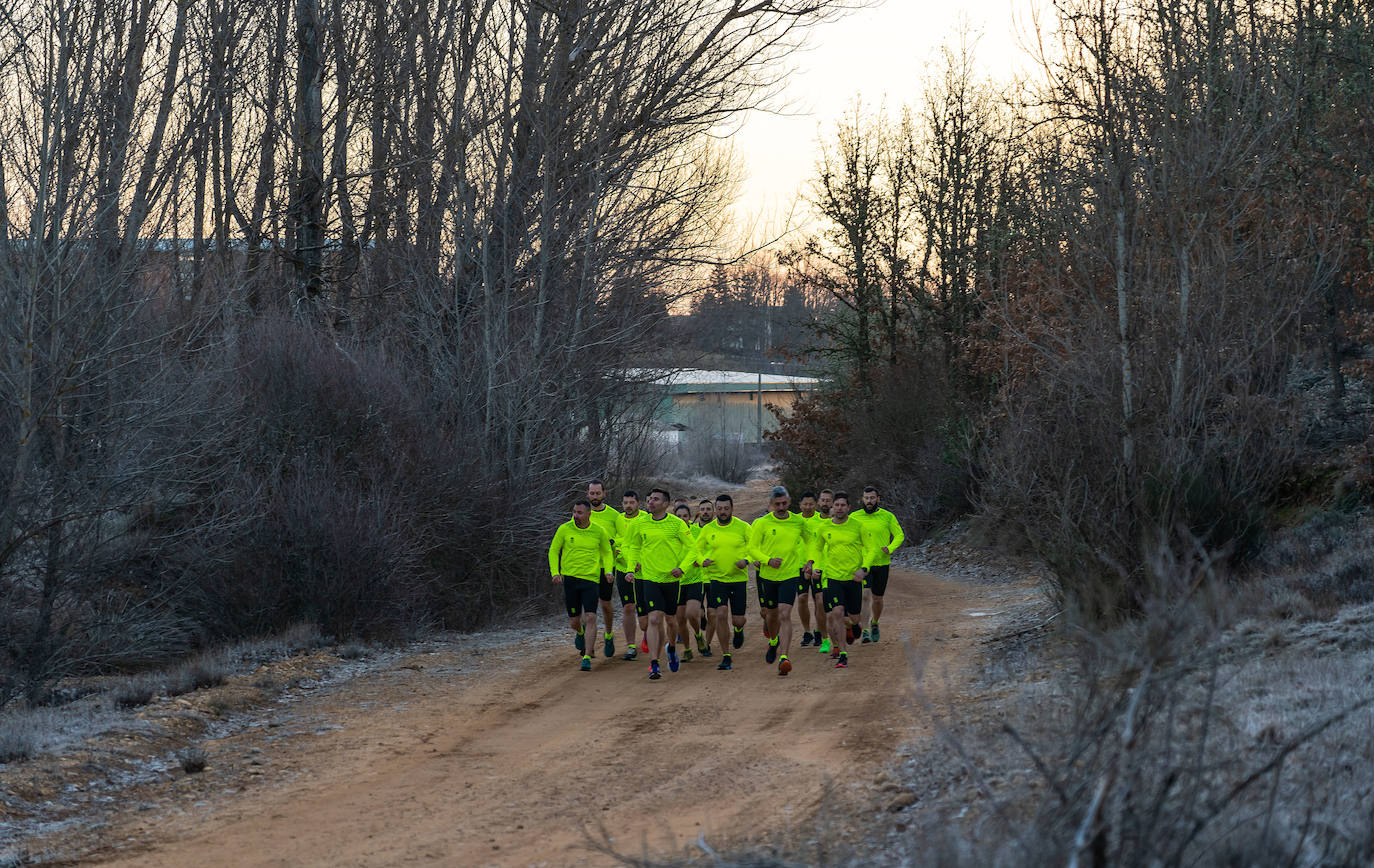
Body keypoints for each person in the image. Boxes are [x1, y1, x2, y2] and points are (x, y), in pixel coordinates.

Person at [623, 488, 694, 680]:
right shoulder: (639, 523)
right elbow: (633, 546)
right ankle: (654, 664)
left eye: (655, 499)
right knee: (653, 619)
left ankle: (671, 648)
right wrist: (630, 568)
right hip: (649, 578)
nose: (651, 502)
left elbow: (692, 548)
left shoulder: (677, 524)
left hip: (671, 579)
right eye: (649, 499)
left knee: (671, 621)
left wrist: (683, 568)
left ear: (665, 504)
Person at [747, 485, 814, 676]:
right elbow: (752, 548)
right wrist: (768, 560)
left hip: (790, 575)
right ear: (771, 504)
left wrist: (809, 560)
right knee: (771, 615)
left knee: (785, 614)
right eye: (777, 504)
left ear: (790, 502)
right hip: (767, 576)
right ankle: (774, 641)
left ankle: (784, 657)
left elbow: (811, 541)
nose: (781, 507)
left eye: (784, 503)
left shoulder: (798, 522)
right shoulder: (761, 523)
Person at [547, 499, 613, 671]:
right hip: (570, 579)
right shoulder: (565, 529)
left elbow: (607, 552)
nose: (576, 516)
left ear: (589, 514)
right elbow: (554, 550)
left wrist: (608, 571)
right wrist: (555, 572)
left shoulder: (599, 531)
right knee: (574, 621)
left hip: (591, 579)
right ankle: (580, 633)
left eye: (580, 513)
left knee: (591, 616)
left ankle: (587, 656)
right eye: (574, 512)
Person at [814, 492, 877, 669]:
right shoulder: (824, 528)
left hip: (853, 579)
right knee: (838, 613)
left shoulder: (858, 526)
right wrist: (816, 566)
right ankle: (842, 654)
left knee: (854, 618)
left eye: (843, 505)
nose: (839, 508)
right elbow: (817, 549)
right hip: (833, 577)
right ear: (832, 507)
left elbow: (872, 549)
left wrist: (863, 569)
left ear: (849, 507)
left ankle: (854, 626)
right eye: (837, 505)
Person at [691, 494, 751, 671]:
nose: (723, 512)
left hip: (738, 578)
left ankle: (738, 631)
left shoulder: (743, 527)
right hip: (716, 578)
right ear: (716, 510)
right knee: (721, 614)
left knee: (738, 620)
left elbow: (755, 547)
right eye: (720, 509)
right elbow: (697, 549)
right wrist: (703, 561)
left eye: (726, 508)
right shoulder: (708, 529)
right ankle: (726, 656)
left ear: (732, 509)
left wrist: (746, 560)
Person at [849, 486, 905, 643]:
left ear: (878, 499)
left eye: (872, 498)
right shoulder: (854, 517)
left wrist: (890, 548)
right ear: (862, 499)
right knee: (865, 596)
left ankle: (875, 623)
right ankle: (865, 630)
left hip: (882, 563)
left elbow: (900, 535)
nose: (869, 501)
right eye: (866, 498)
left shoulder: (887, 516)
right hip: (864, 563)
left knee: (878, 598)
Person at [585, 479, 626, 659]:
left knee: (605, 604)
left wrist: (614, 544)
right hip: (585, 567)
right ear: (588, 494)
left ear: (604, 494)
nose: (595, 496)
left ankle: (608, 634)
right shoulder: (582, 514)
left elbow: (624, 538)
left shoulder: (614, 515)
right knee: (588, 607)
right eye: (592, 493)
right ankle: (588, 644)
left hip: (606, 567)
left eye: (597, 493)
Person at [672, 504, 709, 662]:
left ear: (689, 517)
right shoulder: (670, 532)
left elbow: (702, 550)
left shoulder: (696, 532)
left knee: (691, 613)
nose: (682, 519)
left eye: (685, 516)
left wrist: (700, 561)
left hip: (694, 579)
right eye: (678, 516)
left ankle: (698, 635)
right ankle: (687, 649)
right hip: (677, 582)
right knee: (680, 618)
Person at [617, 491, 649, 660]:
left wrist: (639, 562)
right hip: (623, 570)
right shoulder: (618, 520)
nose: (628, 505)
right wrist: (628, 560)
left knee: (645, 611)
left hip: (644, 572)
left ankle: (646, 634)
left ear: (638, 503)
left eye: (631, 502)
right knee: (628, 607)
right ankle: (630, 646)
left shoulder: (645, 519)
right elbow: (616, 545)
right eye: (625, 502)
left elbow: (647, 544)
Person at [809, 489, 834, 652]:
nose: (825, 503)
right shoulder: (812, 523)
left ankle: (844, 628)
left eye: (828, 500)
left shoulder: (843, 522)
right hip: (818, 569)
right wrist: (811, 566)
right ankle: (825, 639)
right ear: (818, 503)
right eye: (822, 500)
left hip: (838, 570)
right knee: (820, 603)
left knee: (838, 608)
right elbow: (813, 548)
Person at [795, 492, 820, 646]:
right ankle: (807, 632)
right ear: (800, 505)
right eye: (805, 504)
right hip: (799, 566)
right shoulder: (794, 521)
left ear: (815, 505)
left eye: (811, 504)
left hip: (817, 566)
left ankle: (819, 630)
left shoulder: (822, 520)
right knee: (802, 598)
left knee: (819, 601)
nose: (808, 507)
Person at [695, 499, 718, 656]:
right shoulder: (691, 530)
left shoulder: (719, 529)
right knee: (697, 613)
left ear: (713, 512)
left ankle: (707, 645)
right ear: (698, 512)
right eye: (702, 509)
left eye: (708, 509)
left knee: (712, 613)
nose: (705, 512)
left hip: (714, 577)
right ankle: (700, 622)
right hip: (696, 578)